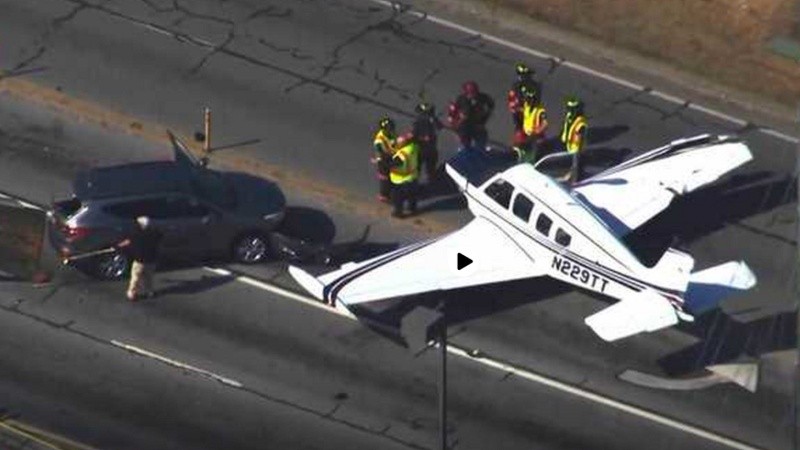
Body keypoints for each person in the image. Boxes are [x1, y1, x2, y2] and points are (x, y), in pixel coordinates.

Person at [117, 216, 163, 302]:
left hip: (139, 260)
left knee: (135, 277)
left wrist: (117, 246)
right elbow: (160, 236)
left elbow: (128, 242)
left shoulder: (136, 234)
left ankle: (132, 293)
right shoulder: (155, 233)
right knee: (149, 277)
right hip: (151, 260)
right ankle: (149, 292)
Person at [447, 81, 495, 149]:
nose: (472, 95)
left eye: (474, 92)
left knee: (481, 141)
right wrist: (454, 123)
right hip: (464, 126)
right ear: (466, 92)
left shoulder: (482, 97)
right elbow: (452, 111)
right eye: (470, 93)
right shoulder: (460, 99)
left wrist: (485, 114)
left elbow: (491, 104)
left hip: (478, 125)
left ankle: (480, 152)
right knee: (465, 144)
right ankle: (466, 151)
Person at [512, 89, 548, 163]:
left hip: (536, 137)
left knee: (535, 154)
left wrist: (537, 131)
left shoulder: (540, 111)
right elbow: (522, 110)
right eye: (527, 99)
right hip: (526, 135)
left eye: (531, 99)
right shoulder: (526, 106)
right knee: (520, 150)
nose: (529, 101)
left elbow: (545, 123)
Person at [389, 133, 420, 218]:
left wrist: (380, 161)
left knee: (398, 198)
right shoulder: (413, 147)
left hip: (401, 180)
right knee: (412, 195)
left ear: (404, 144)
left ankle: (398, 213)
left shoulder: (401, 155)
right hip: (413, 177)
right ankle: (412, 209)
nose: (397, 143)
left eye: (399, 142)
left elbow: (392, 164)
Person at [559, 96, 588, 183]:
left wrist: (578, 151)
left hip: (576, 148)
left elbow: (580, 138)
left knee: (576, 165)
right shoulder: (569, 116)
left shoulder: (581, 123)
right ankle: (573, 175)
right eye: (569, 108)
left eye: (572, 109)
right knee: (572, 163)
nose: (570, 111)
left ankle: (576, 181)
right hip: (569, 145)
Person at [412, 102, 443, 182]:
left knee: (430, 169)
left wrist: (433, 118)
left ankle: (430, 181)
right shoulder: (418, 122)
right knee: (419, 169)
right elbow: (414, 136)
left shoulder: (431, 120)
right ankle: (415, 183)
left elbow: (439, 126)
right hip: (422, 149)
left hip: (431, 149)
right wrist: (423, 138)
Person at [507, 62, 541, 132]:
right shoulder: (516, 87)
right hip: (520, 114)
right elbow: (513, 103)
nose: (530, 77)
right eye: (527, 75)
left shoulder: (534, 85)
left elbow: (536, 100)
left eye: (529, 75)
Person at [372, 117, 397, 202]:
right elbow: (381, 153)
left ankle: (392, 191)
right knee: (385, 179)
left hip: (392, 157)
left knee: (393, 177)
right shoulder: (379, 141)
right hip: (384, 161)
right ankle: (384, 195)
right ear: (385, 129)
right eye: (390, 128)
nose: (392, 129)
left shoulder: (391, 134)